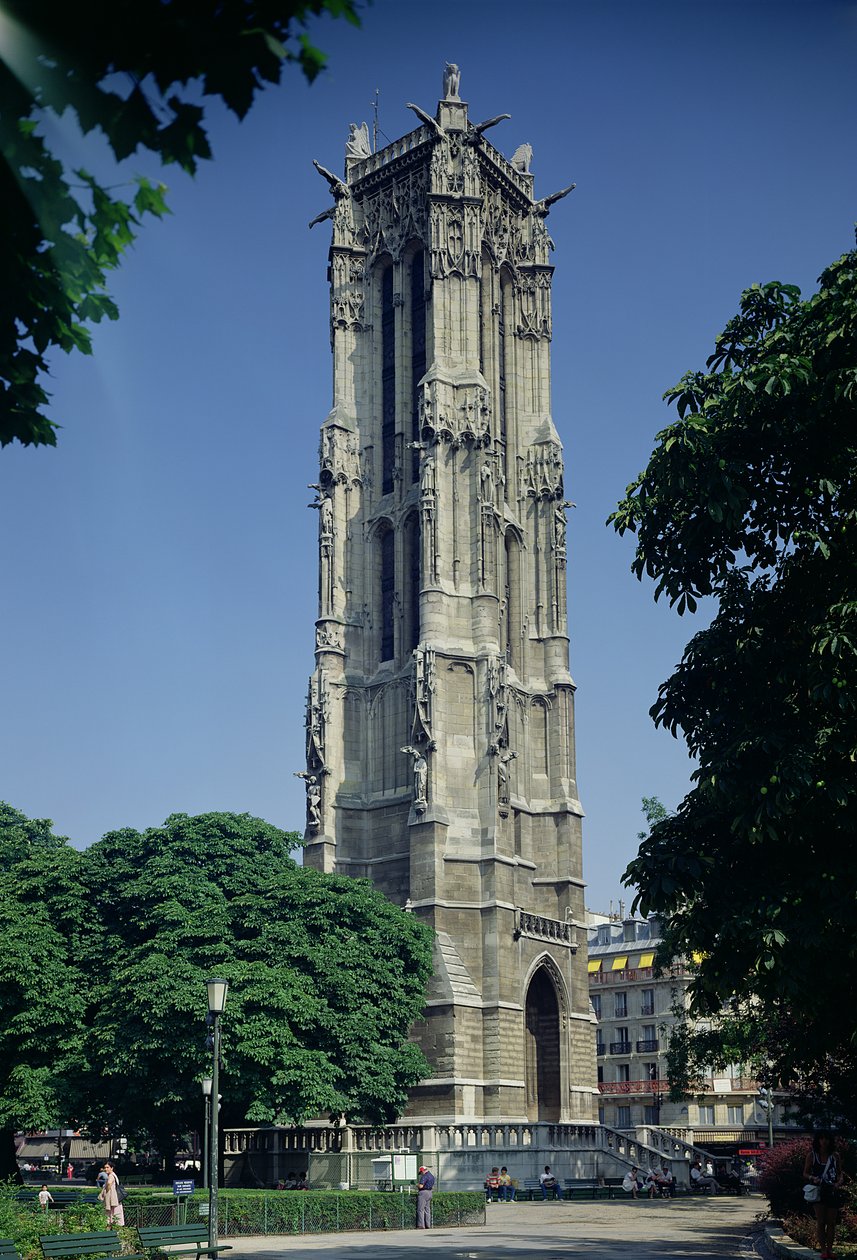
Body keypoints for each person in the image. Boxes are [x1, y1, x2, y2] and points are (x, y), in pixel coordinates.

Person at [803, 1130, 844, 1260]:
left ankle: (830, 1249)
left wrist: (839, 1182)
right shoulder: (812, 1156)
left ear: (830, 1141)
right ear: (818, 1141)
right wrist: (812, 1178)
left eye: (826, 1139)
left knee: (831, 1222)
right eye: (821, 1139)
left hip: (832, 1190)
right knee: (821, 1221)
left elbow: (839, 1173)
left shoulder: (835, 1156)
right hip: (818, 1190)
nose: (824, 1141)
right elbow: (805, 1172)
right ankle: (823, 1250)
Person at [99, 1161, 124, 1227]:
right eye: (105, 1167)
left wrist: (106, 1190)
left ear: (112, 1168)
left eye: (108, 1167)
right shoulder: (113, 1175)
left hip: (112, 1200)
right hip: (115, 1200)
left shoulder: (111, 1176)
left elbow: (109, 1183)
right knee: (114, 1216)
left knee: (110, 1216)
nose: (106, 1169)